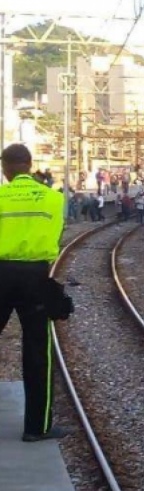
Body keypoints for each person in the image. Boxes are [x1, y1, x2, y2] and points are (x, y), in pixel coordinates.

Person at [0, 144, 67, 442]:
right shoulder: (54, 198)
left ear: (5, 169)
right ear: (29, 165)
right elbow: (56, 234)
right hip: (35, 276)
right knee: (38, 351)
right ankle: (36, 427)